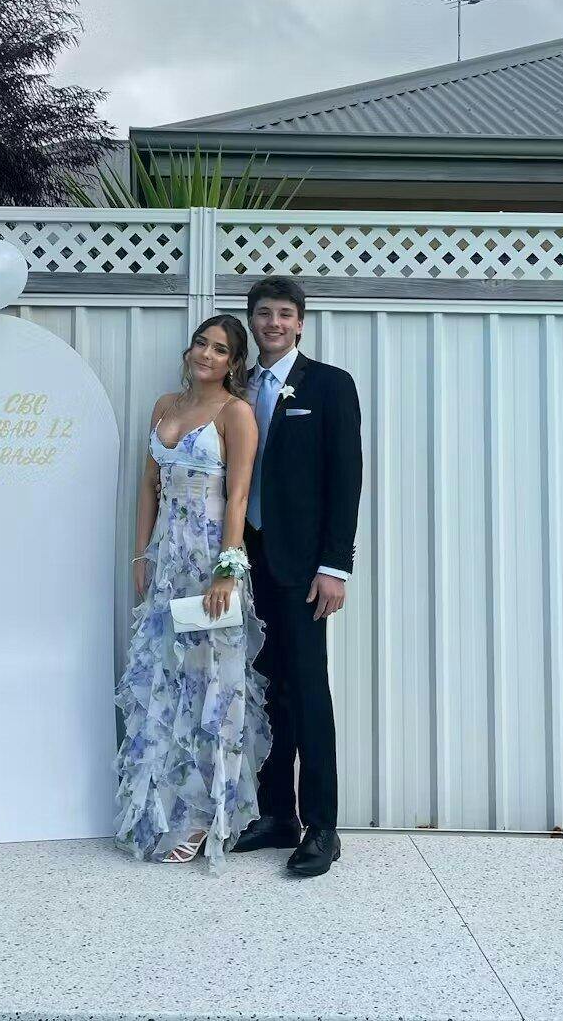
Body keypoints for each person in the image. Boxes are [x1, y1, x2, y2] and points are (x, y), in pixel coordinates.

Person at [114, 314, 271, 870]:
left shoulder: (236, 413)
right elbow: (148, 486)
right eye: (201, 344)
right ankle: (162, 808)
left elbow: (238, 496)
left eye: (221, 349)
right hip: (166, 563)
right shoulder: (164, 406)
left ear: (234, 363)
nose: (207, 354)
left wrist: (227, 570)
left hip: (209, 563)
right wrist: (141, 554)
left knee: (210, 682)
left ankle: (205, 815)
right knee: (165, 677)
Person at [234, 277, 362, 877]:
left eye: (285, 314)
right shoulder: (239, 386)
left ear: (301, 323)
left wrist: (335, 566)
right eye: (264, 313)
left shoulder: (329, 385)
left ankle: (323, 827)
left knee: (309, 690)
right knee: (266, 689)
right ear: (252, 320)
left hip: (304, 568)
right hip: (247, 561)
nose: (274, 323)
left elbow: (346, 479)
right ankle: (276, 814)